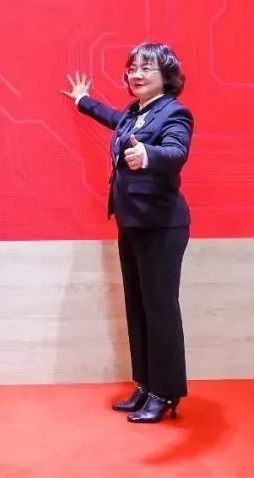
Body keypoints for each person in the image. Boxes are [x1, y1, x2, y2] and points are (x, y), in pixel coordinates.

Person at [62, 42, 193, 423]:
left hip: (161, 225)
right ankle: (145, 384)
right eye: (132, 68)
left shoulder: (175, 112)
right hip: (131, 221)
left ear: (166, 76)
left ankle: (165, 392)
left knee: (160, 309)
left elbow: (177, 151)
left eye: (146, 68)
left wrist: (149, 155)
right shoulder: (136, 112)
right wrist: (83, 101)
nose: (136, 75)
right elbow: (113, 118)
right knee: (137, 307)